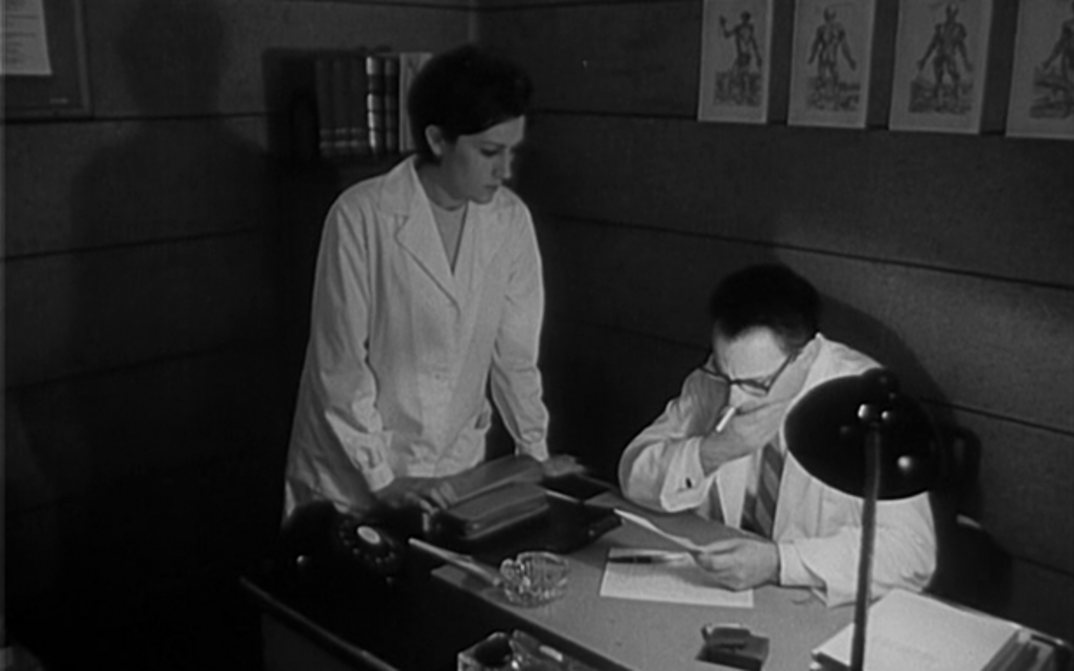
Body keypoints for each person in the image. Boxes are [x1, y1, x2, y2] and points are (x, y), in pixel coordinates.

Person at [283, 45, 576, 521]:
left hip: (452, 472)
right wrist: (384, 479)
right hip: (351, 477)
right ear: (438, 139)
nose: (506, 171)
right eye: (489, 153)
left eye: (512, 153)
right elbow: (339, 370)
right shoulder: (361, 216)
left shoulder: (510, 221)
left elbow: (515, 356)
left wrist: (535, 455)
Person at [618, 264, 936, 607]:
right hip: (714, 594)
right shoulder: (720, 378)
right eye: (725, 375)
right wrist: (713, 451)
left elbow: (912, 553)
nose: (734, 400)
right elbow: (633, 474)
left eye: (756, 384)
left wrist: (779, 562)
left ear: (807, 356)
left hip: (808, 609)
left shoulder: (863, 398)